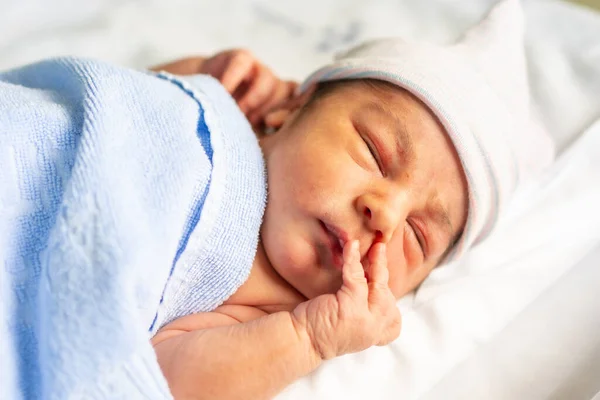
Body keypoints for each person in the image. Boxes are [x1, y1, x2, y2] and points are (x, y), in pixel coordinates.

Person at [0, 0, 553, 398]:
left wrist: (309, 338)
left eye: (416, 236)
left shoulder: (273, 306)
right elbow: (117, 123)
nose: (384, 212)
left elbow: (168, 377)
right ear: (289, 109)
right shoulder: (225, 115)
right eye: (375, 152)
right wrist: (201, 76)